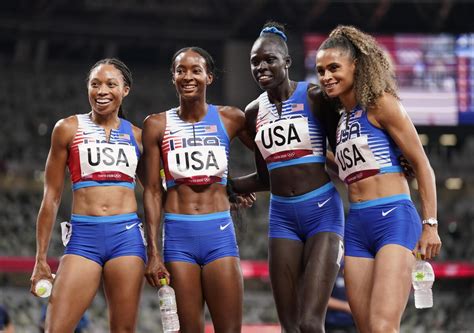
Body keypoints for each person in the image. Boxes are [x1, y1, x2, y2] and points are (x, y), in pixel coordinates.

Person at [315, 25, 442, 333]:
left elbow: (422, 165)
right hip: (357, 224)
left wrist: (430, 224)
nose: (326, 76)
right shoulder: (341, 121)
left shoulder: (381, 104)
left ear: (355, 65)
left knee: (383, 326)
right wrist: (314, 157)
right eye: (320, 71)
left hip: (394, 219)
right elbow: (348, 173)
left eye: (334, 68)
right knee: (366, 328)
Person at [232, 22, 345, 332]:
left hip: (323, 213)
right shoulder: (253, 112)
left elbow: (345, 146)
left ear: (287, 61)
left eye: (269, 59)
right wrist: (223, 184)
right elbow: (265, 178)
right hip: (282, 217)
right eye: (255, 61)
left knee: (310, 323)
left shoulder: (314, 96)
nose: (261, 67)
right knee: (289, 327)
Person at [142, 46, 254, 333]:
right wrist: (153, 252)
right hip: (179, 237)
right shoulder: (156, 125)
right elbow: (153, 190)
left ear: (209, 77)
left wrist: (239, 185)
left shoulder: (231, 118)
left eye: (196, 70)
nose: (188, 76)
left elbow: (271, 156)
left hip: (219, 234)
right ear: (173, 78)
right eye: (181, 70)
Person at [30, 58, 146, 332]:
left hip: (126, 238)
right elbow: (51, 197)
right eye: (95, 84)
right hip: (84, 239)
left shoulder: (138, 137)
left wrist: (155, 252)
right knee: (55, 328)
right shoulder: (68, 129)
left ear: (125, 90)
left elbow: (157, 192)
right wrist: (40, 259)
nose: (102, 90)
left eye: (110, 84)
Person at [325, 265, 356, 333]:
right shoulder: (331, 271)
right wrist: (346, 307)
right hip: (334, 322)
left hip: (352, 323)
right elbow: (322, 300)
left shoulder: (355, 272)